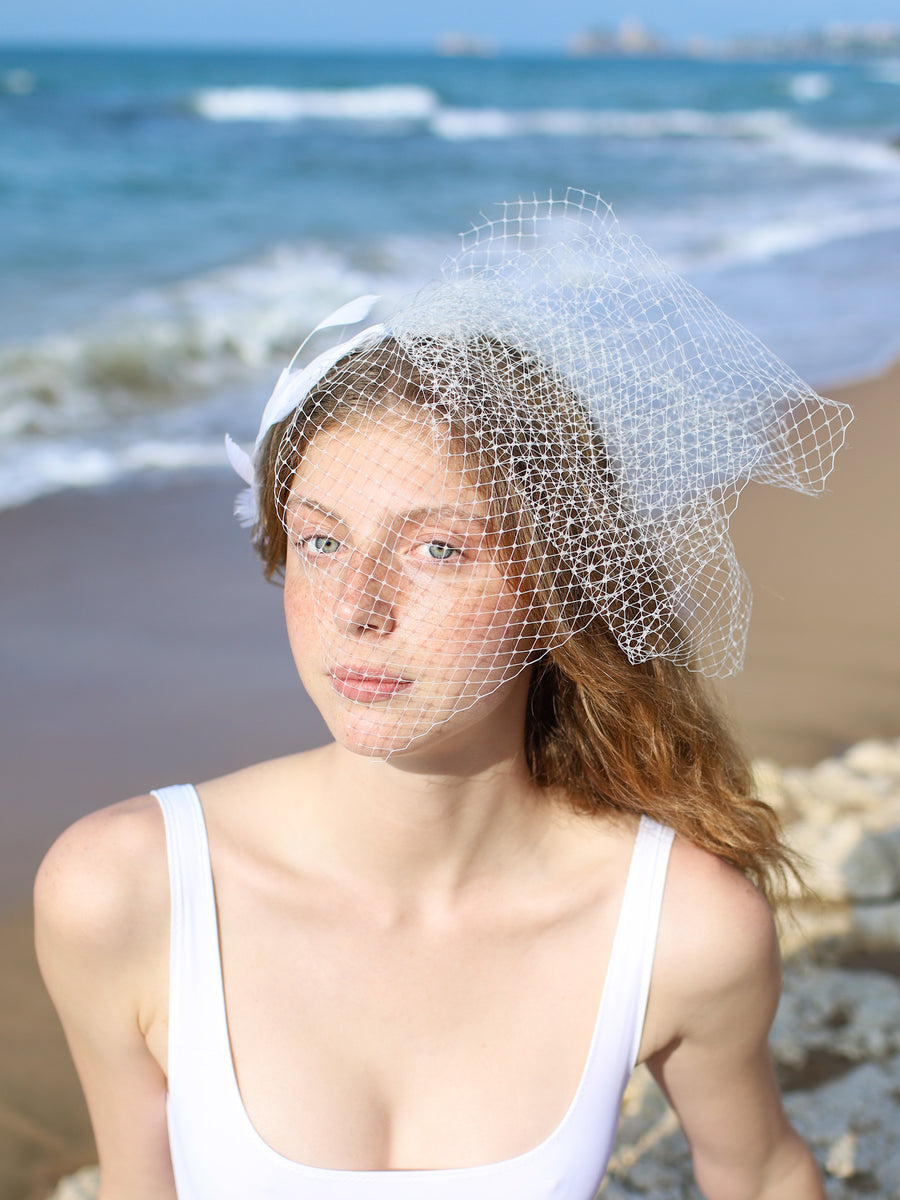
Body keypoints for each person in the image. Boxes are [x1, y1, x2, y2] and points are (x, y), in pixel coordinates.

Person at [34, 192, 850, 1199]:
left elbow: (764, 1176)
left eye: (436, 548)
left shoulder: (678, 926)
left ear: (556, 587)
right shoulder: (125, 891)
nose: (359, 605)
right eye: (323, 540)